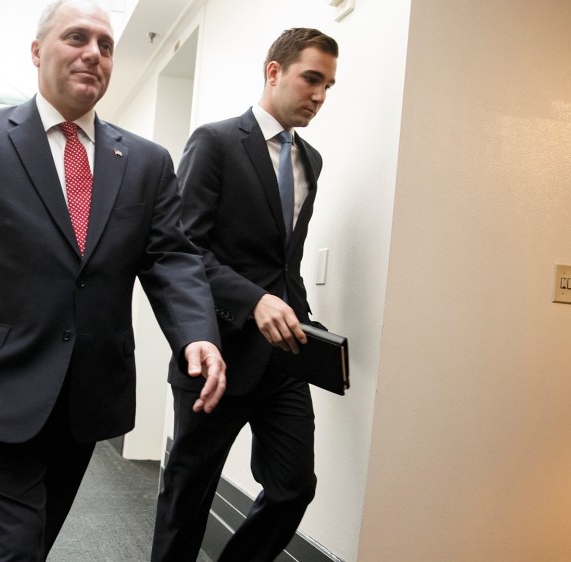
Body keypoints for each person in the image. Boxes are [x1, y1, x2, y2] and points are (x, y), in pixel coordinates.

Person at [0, 1, 227, 559]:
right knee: (17, 544)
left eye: (105, 45)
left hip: (88, 395)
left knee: (29, 538)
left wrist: (197, 331)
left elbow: (172, 256)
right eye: (77, 38)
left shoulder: (145, 161)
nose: (93, 53)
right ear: (36, 51)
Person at [151, 28, 339, 562]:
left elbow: (285, 258)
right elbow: (184, 248)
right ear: (273, 71)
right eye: (311, 79)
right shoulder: (214, 142)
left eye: (328, 85)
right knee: (189, 496)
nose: (320, 96)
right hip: (216, 352)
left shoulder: (312, 161)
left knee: (294, 486)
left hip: (285, 354)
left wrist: (306, 322)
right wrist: (253, 299)